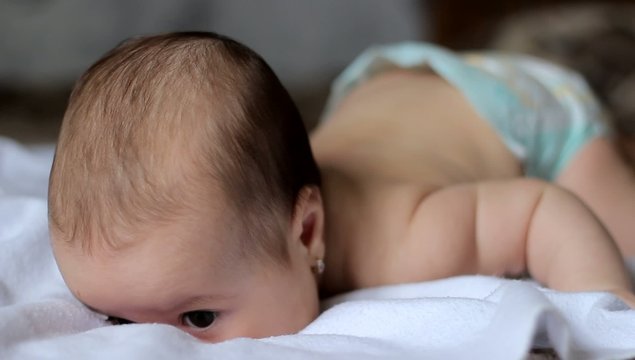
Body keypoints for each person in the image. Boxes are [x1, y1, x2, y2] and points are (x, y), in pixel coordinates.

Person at [48, 32, 635, 343]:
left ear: (307, 233)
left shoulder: (409, 239)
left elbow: (541, 211)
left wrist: (604, 305)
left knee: (615, 221)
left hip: (516, 106)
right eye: (119, 323)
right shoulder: (232, 235)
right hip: (379, 91)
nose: (160, 349)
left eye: (198, 319)